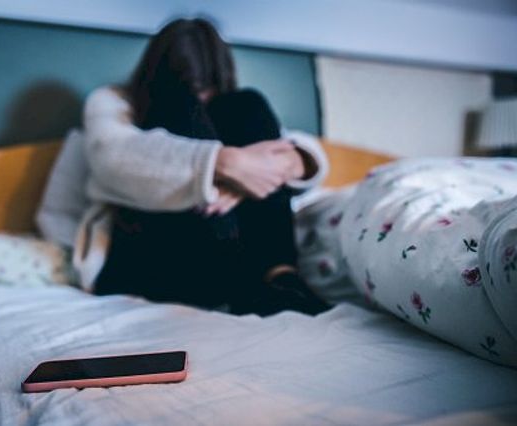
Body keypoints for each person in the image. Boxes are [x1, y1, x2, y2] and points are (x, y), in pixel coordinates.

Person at [41, 18, 330, 315]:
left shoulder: (229, 109)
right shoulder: (112, 101)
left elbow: (293, 148)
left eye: (208, 88)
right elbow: (112, 157)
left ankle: (281, 278)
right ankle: (252, 285)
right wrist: (224, 164)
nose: (202, 98)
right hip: (145, 258)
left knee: (248, 105)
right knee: (177, 104)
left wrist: (262, 172)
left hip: (235, 260)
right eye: (194, 88)